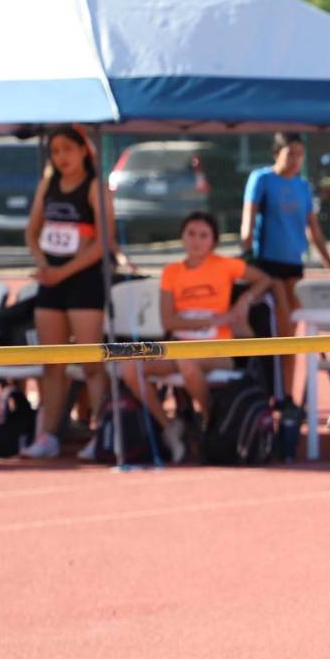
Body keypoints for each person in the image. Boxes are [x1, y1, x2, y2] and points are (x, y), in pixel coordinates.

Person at [22, 124, 132, 461]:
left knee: (90, 363)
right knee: (51, 364)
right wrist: (44, 265)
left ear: (84, 150)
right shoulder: (49, 184)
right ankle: (47, 435)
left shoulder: (95, 187)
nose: (61, 158)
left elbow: (105, 242)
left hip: (83, 281)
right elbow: (32, 232)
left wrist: (64, 272)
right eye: (55, 152)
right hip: (51, 282)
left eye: (67, 150)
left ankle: (102, 433)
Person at [130, 211, 272, 464]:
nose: (196, 240)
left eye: (203, 235)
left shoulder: (225, 265)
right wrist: (209, 320)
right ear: (182, 238)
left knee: (187, 362)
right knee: (129, 366)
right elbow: (168, 321)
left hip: (216, 350)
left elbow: (264, 280)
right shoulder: (172, 272)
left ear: (213, 241)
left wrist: (244, 300)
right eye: (191, 234)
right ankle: (170, 426)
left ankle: (211, 421)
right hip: (179, 347)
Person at [241, 132, 330, 402]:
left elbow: (314, 231)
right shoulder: (262, 179)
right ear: (277, 153)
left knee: (293, 333)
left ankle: (286, 394)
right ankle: (278, 394)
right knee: (282, 330)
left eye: (300, 154)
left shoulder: (302, 186)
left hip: (294, 266)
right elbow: (248, 220)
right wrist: (246, 254)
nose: (296, 160)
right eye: (290, 153)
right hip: (268, 267)